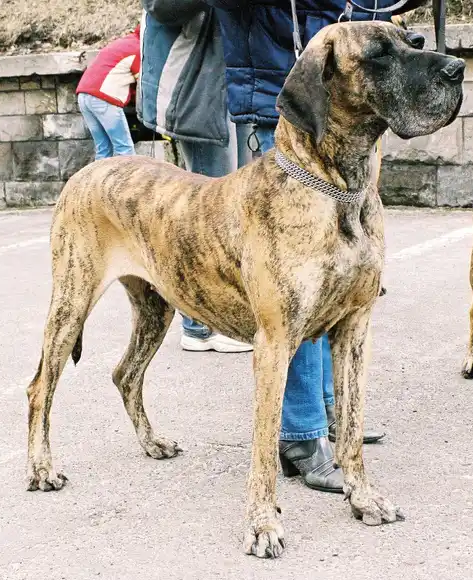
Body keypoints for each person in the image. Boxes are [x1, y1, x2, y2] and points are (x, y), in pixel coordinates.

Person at [137, 0, 393, 495]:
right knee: (291, 290)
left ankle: (327, 412)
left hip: (346, 102)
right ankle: (301, 435)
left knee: (333, 281)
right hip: (276, 94)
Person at [137, 2, 249, 354]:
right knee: (206, 219)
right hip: (196, 89)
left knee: (234, 213)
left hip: (232, 86)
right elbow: (161, 6)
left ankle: (218, 319)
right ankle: (199, 325)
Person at [75, 26, 141, 160]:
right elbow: (143, 85)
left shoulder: (124, 42)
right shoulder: (139, 48)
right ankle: (128, 182)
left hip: (83, 96)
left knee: (103, 149)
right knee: (125, 150)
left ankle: (98, 181)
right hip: (104, 98)